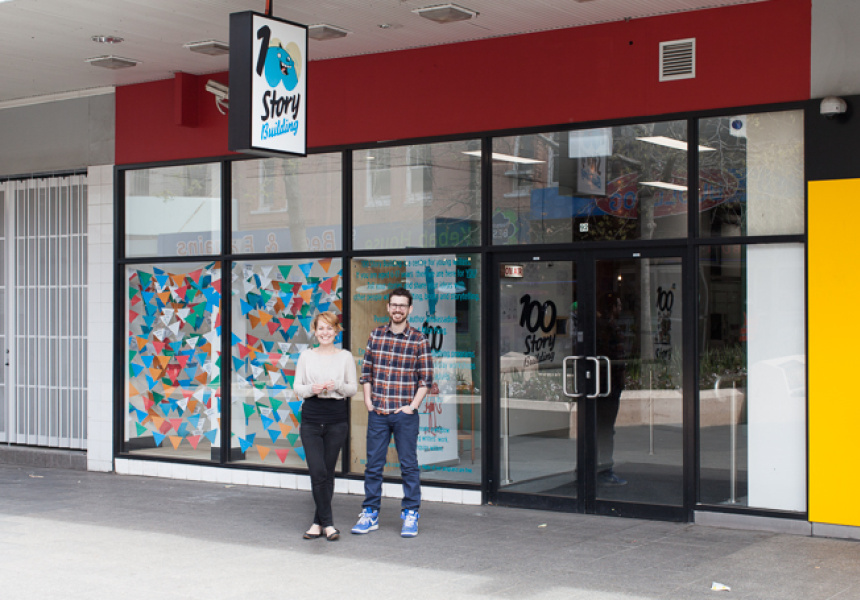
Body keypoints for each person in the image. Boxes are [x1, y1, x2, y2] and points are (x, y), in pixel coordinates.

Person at [352, 287, 433, 538]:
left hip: (404, 414)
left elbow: (426, 380)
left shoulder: (418, 339)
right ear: (388, 308)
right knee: (373, 466)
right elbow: (366, 373)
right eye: (394, 305)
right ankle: (370, 513)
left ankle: (411, 513)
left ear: (410, 309)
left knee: (408, 465)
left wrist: (412, 407)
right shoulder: (376, 335)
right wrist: (368, 402)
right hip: (378, 412)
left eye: (402, 306)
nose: (398, 309)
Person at [294, 311, 358, 541]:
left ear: (336, 330)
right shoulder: (306, 356)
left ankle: (317, 523)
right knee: (318, 471)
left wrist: (337, 384)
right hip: (311, 418)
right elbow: (297, 388)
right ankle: (328, 524)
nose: (325, 332)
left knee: (327, 473)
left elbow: (352, 389)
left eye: (330, 328)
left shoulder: (345, 357)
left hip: (336, 419)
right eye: (321, 328)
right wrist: (311, 389)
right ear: (315, 331)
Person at [595, 292, 627, 486]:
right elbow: (616, 358)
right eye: (618, 305)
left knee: (599, 428)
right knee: (606, 429)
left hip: (602, 385)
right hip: (609, 386)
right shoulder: (609, 328)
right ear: (612, 307)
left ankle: (591, 467)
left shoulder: (597, 326)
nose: (620, 308)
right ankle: (605, 469)